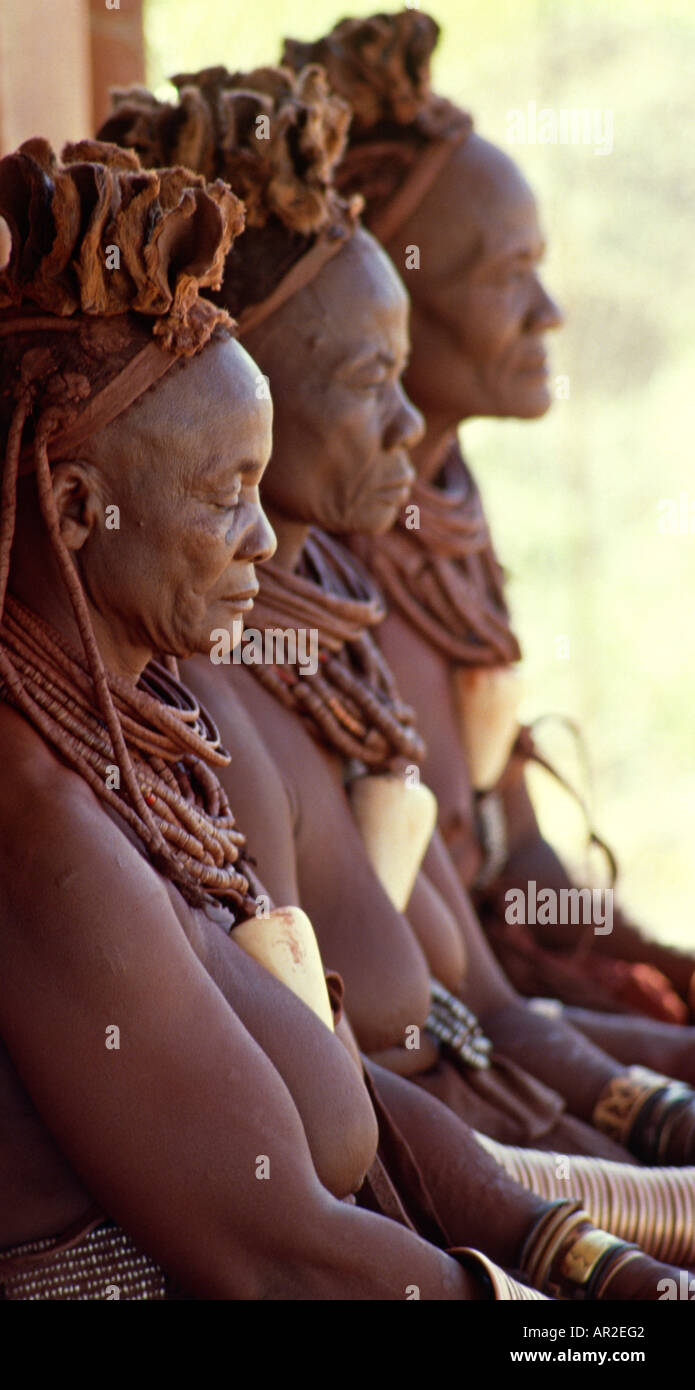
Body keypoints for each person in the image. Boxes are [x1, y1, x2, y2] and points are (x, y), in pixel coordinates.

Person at [0, 134, 596, 1303]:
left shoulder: (108, 733)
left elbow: (351, 1088)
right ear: (78, 507)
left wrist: (579, 1257)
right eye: (225, 495)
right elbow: (277, 1254)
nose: (261, 540)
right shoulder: (19, 819)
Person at [97, 63, 695, 1257]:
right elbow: (319, 1161)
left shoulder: (329, 646)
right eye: (374, 376)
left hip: (509, 1157)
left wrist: (658, 1114)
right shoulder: (190, 712)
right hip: (446, 1211)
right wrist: (577, 1262)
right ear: (250, 394)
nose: (412, 425)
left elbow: (479, 997)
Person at [281, 9, 695, 1052]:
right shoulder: (297, 579)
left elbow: (519, 863)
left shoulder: (446, 507)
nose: (547, 310)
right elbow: (427, 1002)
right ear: (386, 302)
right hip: (445, 1052)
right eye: (506, 272)